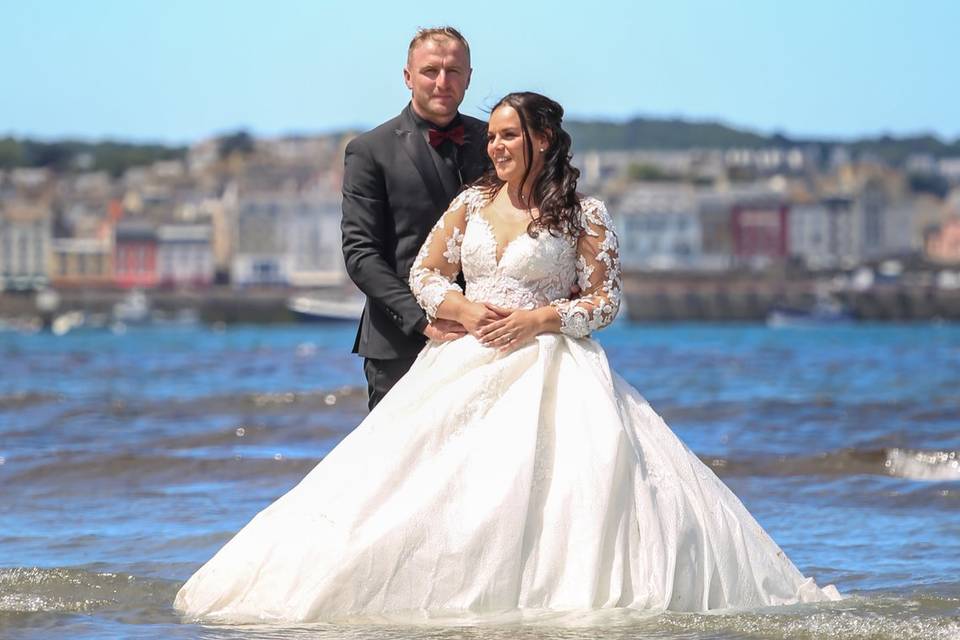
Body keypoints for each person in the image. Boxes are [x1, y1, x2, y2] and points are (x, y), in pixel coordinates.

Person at [174, 92, 839, 622]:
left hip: (554, 365)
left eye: (509, 134)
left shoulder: (585, 213)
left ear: (543, 140)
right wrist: (459, 310)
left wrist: (542, 319)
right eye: (491, 136)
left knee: (562, 493)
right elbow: (425, 274)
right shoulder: (471, 204)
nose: (495, 145)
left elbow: (606, 302)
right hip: (464, 361)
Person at [340, 26, 491, 410]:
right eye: (430, 71)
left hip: (486, 340)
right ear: (408, 77)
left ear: (469, 78)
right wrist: (424, 321)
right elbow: (361, 254)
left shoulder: (496, 144)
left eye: (454, 71)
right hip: (399, 344)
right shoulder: (369, 151)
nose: (443, 82)